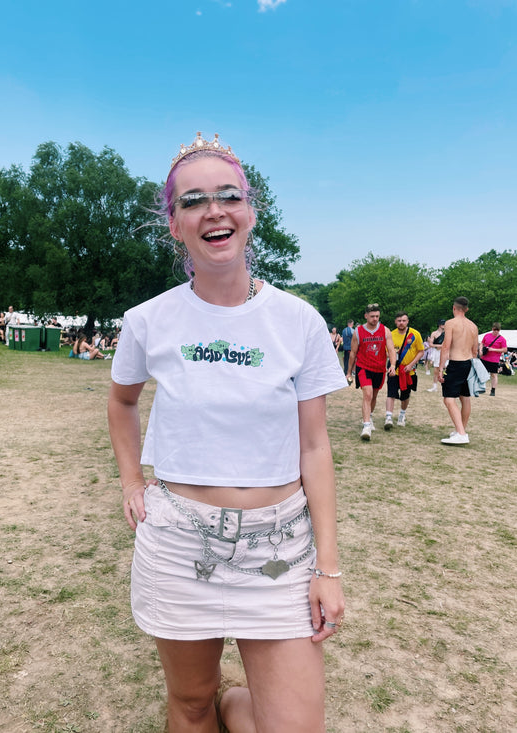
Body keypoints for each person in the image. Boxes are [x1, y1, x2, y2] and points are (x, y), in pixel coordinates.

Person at [108, 132, 347, 733]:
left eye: (228, 196)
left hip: (281, 548)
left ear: (250, 211)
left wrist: (329, 567)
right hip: (180, 542)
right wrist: (131, 479)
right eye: (192, 201)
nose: (213, 210)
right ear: (174, 224)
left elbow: (316, 446)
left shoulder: (299, 320)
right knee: (190, 704)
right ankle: (214, 703)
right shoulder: (148, 321)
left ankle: (240, 706)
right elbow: (121, 400)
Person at [346, 304, 396, 440]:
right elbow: (353, 353)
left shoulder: (385, 331)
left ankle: (370, 416)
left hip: (379, 368)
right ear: (366, 316)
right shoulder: (358, 331)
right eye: (372, 316)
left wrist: (392, 365)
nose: (375, 319)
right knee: (367, 394)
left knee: (373, 396)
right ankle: (366, 426)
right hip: (364, 367)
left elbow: (391, 350)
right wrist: (349, 372)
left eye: (377, 316)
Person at [438, 296, 479, 445]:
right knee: (465, 398)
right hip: (469, 363)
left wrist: (441, 368)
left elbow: (446, 346)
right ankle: (461, 429)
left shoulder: (450, 323)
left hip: (456, 363)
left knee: (449, 399)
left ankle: (461, 433)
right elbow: (475, 350)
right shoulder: (473, 326)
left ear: (454, 308)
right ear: (466, 309)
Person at [384, 311, 424, 429]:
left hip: (408, 371)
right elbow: (386, 351)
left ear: (407, 321)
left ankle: (402, 414)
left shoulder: (415, 334)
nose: (401, 323)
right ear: (395, 322)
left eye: (404, 321)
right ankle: (388, 417)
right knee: (391, 393)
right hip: (393, 369)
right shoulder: (390, 334)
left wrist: (411, 364)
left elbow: (421, 351)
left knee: (405, 396)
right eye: (399, 321)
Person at [480, 323, 507, 396]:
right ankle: (481, 388)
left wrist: (493, 349)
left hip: (494, 360)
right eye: (494, 329)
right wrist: (480, 350)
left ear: (499, 330)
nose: (496, 331)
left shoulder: (502, 339)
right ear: (492, 329)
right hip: (484, 358)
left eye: (497, 330)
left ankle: (493, 390)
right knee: (481, 373)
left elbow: (504, 350)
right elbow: (482, 343)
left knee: (493, 375)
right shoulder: (487, 335)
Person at [426, 320, 446, 392]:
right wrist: (440, 345)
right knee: (436, 370)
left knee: (445, 370)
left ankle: (445, 386)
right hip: (437, 352)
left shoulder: (447, 333)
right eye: (444, 324)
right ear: (440, 325)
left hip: (445, 352)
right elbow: (431, 344)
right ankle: (434, 387)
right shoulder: (434, 333)